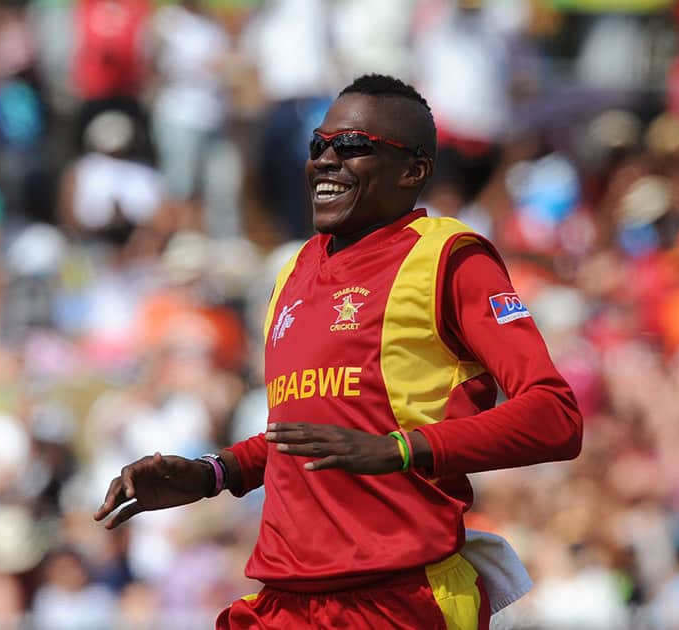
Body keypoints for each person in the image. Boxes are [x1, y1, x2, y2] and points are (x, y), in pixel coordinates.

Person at [94, 74, 583, 629]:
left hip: (398, 599)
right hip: (285, 600)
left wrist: (400, 450)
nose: (325, 160)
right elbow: (305, 430)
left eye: (351, 146)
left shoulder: (449, 258)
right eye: (318, 145)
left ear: (413, 171)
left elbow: (555, 416)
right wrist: (215, 471)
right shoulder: (293, 273)